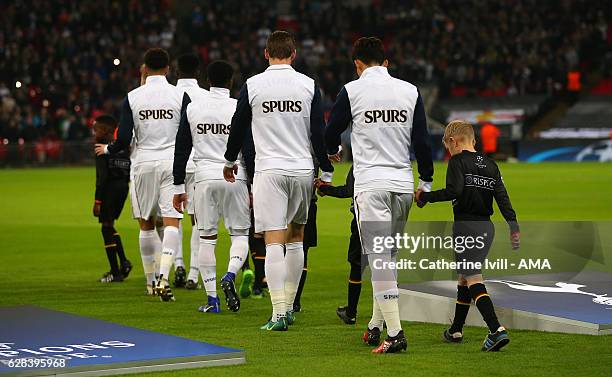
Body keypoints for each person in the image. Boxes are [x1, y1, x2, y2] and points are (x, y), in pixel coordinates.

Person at [325, 37, 434, 353]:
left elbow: (331, 132)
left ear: (357, 64)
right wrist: (425, 181)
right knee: (387, 258)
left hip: (371, 185)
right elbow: (423, 142)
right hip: (401, 185)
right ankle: (375, 325)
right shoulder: (409, 91)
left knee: (379, 259)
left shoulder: (353, 90)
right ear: (386, 62)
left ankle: (396, 333)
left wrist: (333, 150)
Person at [223, 30, 335, 331]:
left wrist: (230, 159)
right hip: (301, 170)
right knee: (296, 238)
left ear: (266, 54)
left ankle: (278, 312)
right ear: (294, 54)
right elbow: (317, 133)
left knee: (273, 240)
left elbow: (238, 124)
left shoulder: (254, 85)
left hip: (269, 171)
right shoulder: (308, 85)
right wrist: (325, 168)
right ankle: (289, 306)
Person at [416, 120, 520, 352]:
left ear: (453, 141)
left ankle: (496, 330)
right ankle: (456, 330)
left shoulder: (457, 161)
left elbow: (454, 191)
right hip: (487, 227)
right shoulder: (492, 165)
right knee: (465, 277)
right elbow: (502, 197)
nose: (448, 151)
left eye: (448, 147)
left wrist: (425, 197)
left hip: (466, 226)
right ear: (473, 139)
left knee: (473, 278)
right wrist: (513, 225)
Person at [95, 48, 184, 301]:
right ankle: (164, 278)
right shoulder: (180, 95)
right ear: (167, 69)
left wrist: (109, 149)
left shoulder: (133, 97)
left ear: (145, 68)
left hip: (144, 164)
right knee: (171, 222)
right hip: (171, 163)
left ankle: (149, 282)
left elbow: (123, 139)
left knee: (146, 224)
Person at [173, 60, 254, 313]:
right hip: (235, 176)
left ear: (208, 81)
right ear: (231, 82)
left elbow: (182, 148)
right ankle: (230, 275)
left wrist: (178, 186)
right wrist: (253, 184)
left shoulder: (193, 108)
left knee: (207, 239)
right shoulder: (239, 107)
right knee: (240, 236)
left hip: (204, 178)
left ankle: (212, 300)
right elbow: (249, 149)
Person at [175, 53, 210, 290]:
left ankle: (178, 263)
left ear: (176, 71)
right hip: (198, 165)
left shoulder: (168, 95)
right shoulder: (206, 97)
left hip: (174, 163)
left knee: (172, 218)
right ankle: (193, 274)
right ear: (198, 72)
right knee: (198, 221)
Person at [316, 166, 361, 324]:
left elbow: (349, 190)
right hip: (392, 210)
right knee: (385, 263)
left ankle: (351, 312)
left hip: (364, 215)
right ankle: (385, 315)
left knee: (356, 264)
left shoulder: (361, 158)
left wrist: (324, 188)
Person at [92, 115, 132, 283]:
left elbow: (102, 177)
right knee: (109, 226)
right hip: (123, 188)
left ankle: (116, 272)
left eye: (96, 129)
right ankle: (123, 263)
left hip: (109, 190)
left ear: (104, 130)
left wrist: (97, 201)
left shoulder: (101, 149)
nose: (94, 132)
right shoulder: (122, 148)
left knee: (105, 228)